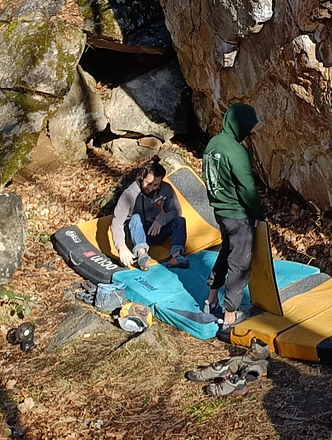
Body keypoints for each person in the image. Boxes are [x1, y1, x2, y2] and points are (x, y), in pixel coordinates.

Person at [202, 102, 263, 330]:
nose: (251, 131)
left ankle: (211, 299)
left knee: (226, 251)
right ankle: (230, 315)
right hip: (238, 215)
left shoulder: (212, 144)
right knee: (240, 263)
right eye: (249, 127)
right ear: (241, 125)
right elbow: (247, 189)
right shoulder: (237, 152)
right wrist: (260, 215)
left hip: (220, 212)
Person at [111, 160, 187, 271]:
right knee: (136, 217)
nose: (151, 188)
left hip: (153, 230)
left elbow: (176, 210)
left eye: (155, 185)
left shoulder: (166, 189)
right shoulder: (130, 193)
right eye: (148, 183)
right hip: (133, 232)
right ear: (142, 178)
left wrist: (162, 219)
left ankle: (176, 256)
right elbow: (116, 223)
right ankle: (142, 254)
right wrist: (121, 247)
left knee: (179, 221)